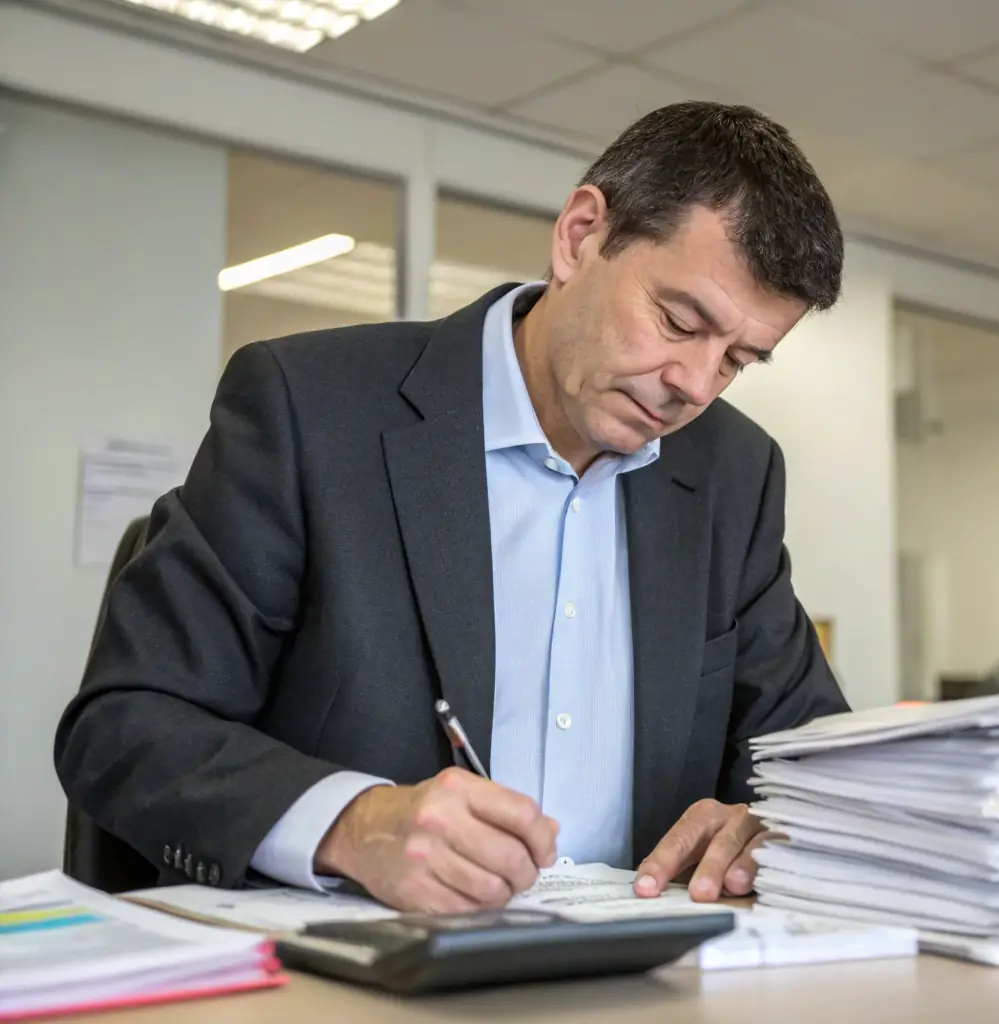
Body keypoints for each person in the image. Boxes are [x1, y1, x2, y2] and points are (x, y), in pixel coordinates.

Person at [55, 101, 848, 913]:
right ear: (579, 236)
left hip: (644, 974)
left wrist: (768, 824)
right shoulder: (309, 409)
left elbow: (814, 760)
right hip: (350, 972)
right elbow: (128, 725)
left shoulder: (733, 473)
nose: (695, 384)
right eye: (678, 322)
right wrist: (348, 825)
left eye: (739, 361)